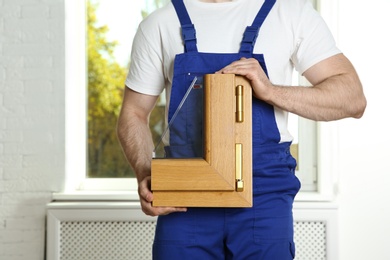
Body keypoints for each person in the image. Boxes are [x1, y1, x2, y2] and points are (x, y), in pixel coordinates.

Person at [117, 0, 366, 259]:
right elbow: (133, 113)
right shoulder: (159, 23)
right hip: (185, 195)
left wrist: (270, 91)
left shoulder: (292, 15)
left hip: (264, 196)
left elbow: (352, 100)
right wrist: (146, 175)